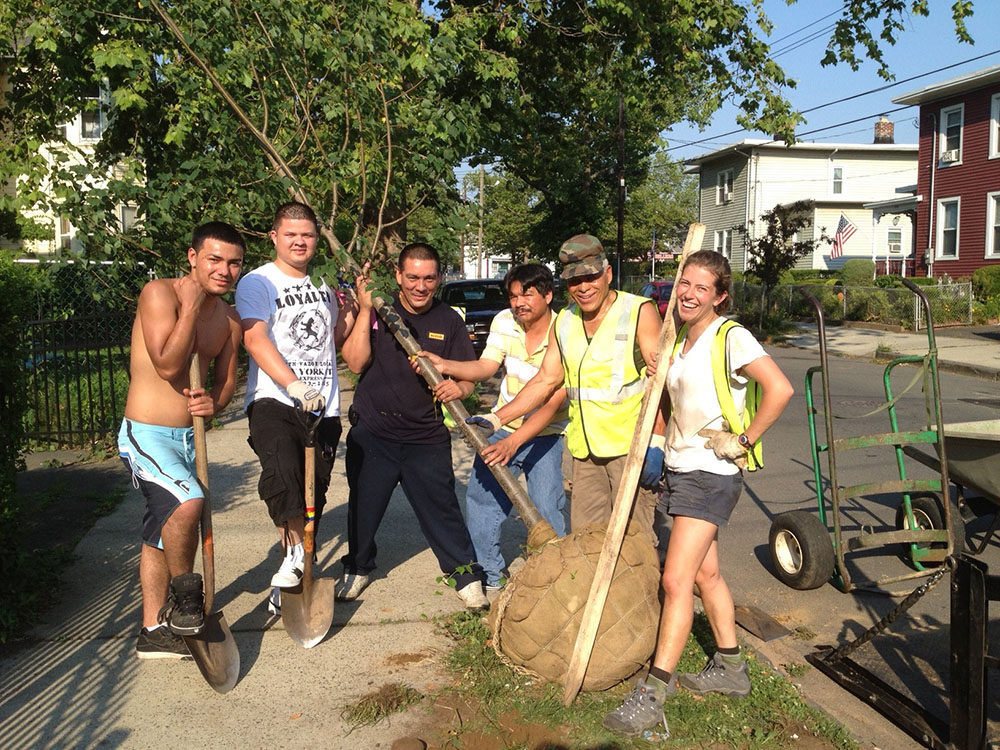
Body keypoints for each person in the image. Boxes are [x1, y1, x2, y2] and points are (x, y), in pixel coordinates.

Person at [603, 250, 794, 737]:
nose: (688, 293)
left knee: (675, 581)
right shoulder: (681, 340)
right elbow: (677, 400)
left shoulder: (730, 336)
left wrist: (746, 439)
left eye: (701, 288)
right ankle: (731, 669)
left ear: (720, 296)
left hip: (711, 472)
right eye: (683, 283)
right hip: (682, 467)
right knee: (707, 575)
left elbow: (780, 388)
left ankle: (652, 695)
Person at [473, 234, 664, 541]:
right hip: (585, 452)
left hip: (630, 449)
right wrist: (498, 419)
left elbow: (661, 383)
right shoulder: (565, 322)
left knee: (635, 541)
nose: (584, 287)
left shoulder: (639, 311)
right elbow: (546, 380)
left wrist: (658, 440)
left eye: (591, 277)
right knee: (587, 540)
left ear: (608, 274)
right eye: (575, 281)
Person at [118, 222, 245, 659]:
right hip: (146, 434)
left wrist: (215, 404)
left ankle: (153, 630)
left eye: (233, 262)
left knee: (161, 533)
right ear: (193, 258)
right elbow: (170, 366)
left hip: (188, 439)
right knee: (187, 503)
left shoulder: (229, 319)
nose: (224, 270)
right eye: (214, 259)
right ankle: (188, 598)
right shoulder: (159, 294)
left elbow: (227, 383)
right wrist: (189, 308)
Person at [339, 242, 489, 609]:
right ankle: (358, 567)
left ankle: (465, 575)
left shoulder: (448, 320)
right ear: (398, 276)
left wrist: (460, 385)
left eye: (428, 278)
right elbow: (355, 364)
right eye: (412, 278)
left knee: (443, 509)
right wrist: (364, 309)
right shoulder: (381, 309)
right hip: (374, 433)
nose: (420, 287)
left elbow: (468, 378)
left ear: (438, 278)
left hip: (426, 436)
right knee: (363, 508)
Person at [235, 202, 357, 613]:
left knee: (314, 492)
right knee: (282, 471)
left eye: (306, 235)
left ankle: (293, 574)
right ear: (274, 237)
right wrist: (294, 385)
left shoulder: (325, 284)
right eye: (290, 235)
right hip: (275, 397)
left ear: (316, 239)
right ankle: (291, 557)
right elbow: (254, 339)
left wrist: (358, 304)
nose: (299, 242)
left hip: (324, 403)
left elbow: (333, 339)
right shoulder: (258, 282)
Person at [416, 263, 569, 590]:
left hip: (547, 433)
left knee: (546, 507)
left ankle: (554, 579)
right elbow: (487, 366)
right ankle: (490, 575)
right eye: (513, 296)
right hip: (503, 424)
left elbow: (554, 401)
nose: (518, 303)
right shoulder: (504, 321)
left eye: (526, 295)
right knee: (483, 499)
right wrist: (446, 365)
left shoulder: (565, 330)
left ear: (548, 295)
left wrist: (514, 442)